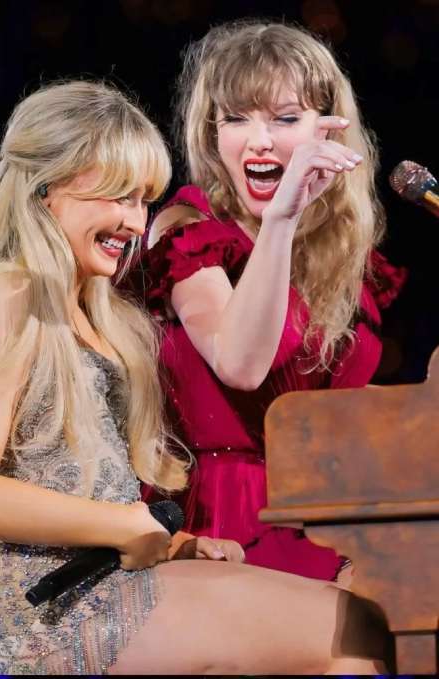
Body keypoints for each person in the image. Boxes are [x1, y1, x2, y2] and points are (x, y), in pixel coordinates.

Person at [0, 80, 388, 674]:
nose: (134, 221)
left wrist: (176, 544)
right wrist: (125, 525)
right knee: (358, 630)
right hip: (57, 618)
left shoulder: (97, 312)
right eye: (115, 196)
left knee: (361, 626)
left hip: (113, 588)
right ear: (45, 189)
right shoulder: (9, 292)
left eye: (142, 200)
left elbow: (86, 487)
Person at [142, 20, 405, 580]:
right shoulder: (189, 228)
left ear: (329, 132)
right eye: (236, 119)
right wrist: (282, 217)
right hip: (220, 522)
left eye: (285, 119)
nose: (259, 140)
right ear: (212, 135)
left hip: (324, 521)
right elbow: (240, 363)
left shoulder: (342, 258)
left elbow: (344, 415)